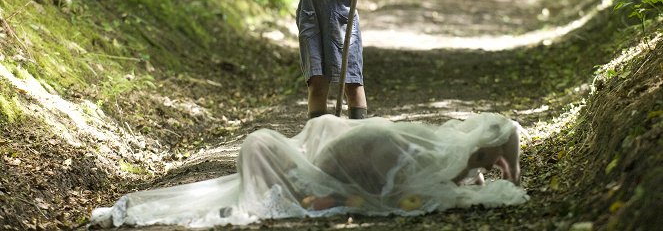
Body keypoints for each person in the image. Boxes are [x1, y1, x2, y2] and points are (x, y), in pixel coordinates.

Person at [89, 113, 529, 228]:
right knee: (263, 143)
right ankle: (320, 185)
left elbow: (404, 189)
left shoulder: (454, 147)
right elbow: (404, 191)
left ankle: (321, 184)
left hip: (355, 155)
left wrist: (493, 171)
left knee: (264, 143)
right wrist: (503, 174)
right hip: (351, 157)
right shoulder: (454, 154)